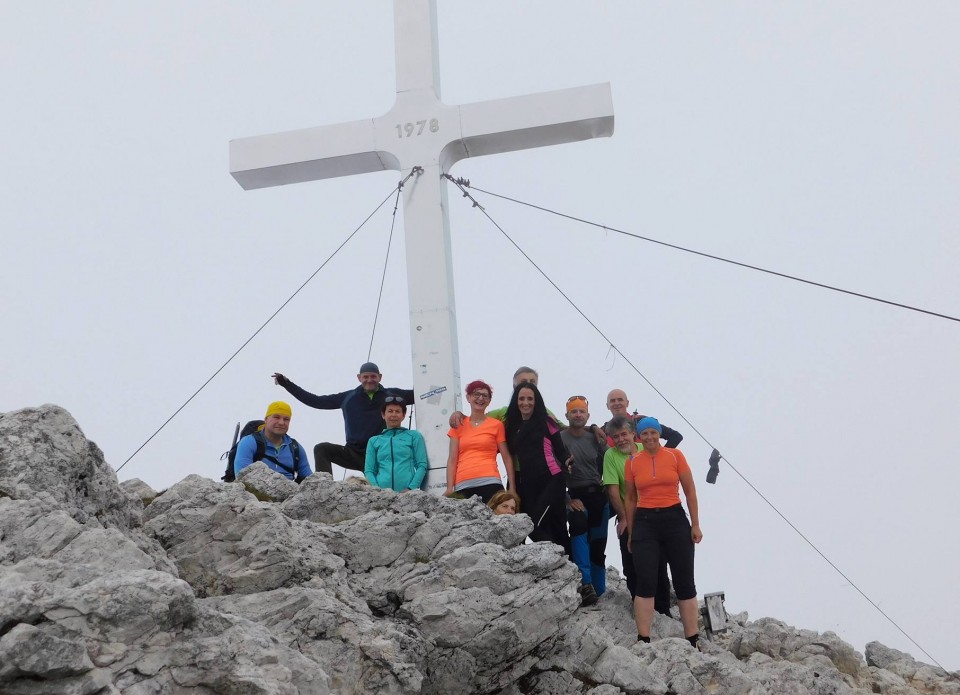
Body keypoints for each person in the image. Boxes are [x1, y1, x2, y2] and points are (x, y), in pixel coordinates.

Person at [625, 417, 702, 648]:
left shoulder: (675, 456)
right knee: (646, 580)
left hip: (675, 518)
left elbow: (690, 491)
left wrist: (695, 524)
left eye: (653, 432)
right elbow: (629, 498)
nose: (649, 437)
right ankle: (643, 638)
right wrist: (631, 532)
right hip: (645, 521)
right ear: (639, 437)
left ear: (659, 434)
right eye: (644, 434)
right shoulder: (632, 461)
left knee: (684, 580)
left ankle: (692, 638)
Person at [272, 362, 414, 475]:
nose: (369, 380)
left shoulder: (392, 396)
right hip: (354, 454)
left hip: (382, 455)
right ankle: (324, 488)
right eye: (365, 377)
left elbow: (420, 393)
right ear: (359, 378)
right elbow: (315, 401)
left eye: (373, 376)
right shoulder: (348, 398)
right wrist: (287, 384)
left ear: (380, 377)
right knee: (322, 449)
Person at [603, 416, 671, 616]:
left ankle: (664, 610)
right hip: (629, 513)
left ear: (633, 434)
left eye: (624, 434)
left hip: (654, 512)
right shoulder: (611, 456)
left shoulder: (645, 451)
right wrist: (624, 518)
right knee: (631, 563)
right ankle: (638, 608)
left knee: (659, 564)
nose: (621, 440)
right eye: (616, 437)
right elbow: (613, 490)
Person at [505, 382, 571, 554]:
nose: (525, 403)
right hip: (528, 485)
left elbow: (561, 452)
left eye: (530, 399)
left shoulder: (546, 421)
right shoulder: (512, 426)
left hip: (552, 481)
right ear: (516, 401)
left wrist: (568, 461)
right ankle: (558, 562)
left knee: (539, 524)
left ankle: (563, 563)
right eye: (521, 398)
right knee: (536, 524)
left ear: (536, 401)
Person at [561, 396, 609, 607]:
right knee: (579, 529)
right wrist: (566, 499)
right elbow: (553, 471)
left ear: (588, 416)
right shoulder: (560, 438)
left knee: (598, 546)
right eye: (574, 412)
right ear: (567, 415)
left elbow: (610, 462)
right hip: (575, 495)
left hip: (598, 495)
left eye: (581, 412)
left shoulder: (595, 437)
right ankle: (585, 584)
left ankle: (601, 591)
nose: (578, 415)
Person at [446, 380, 515, 503]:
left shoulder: (497, 425)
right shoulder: (458, 425)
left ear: (489, 400)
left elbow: (506, 457)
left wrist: (512, 489)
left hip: (491, 482)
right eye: (476, 394)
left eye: (485, 395)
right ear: (468, 397)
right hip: (463, 485)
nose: (480, 398)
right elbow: (452, 459)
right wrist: (449, 488)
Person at [233, 401, 313, 482]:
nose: (281, 422)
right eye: (276, 417)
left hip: (290, 493)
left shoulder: (296, 448)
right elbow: (242, 478)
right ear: (266, 419)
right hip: (254, 493)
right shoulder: (248, 443)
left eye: (286, 419)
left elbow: (310, 480)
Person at [364, 396, 428, 492]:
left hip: (408, 495)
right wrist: (377, 490)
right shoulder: (373, 441)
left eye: (398, 411)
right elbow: (369, 471)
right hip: (382, 495)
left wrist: (411, 488)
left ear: (403, 415)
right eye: (390, 411)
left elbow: (422, 465)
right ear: (383, 415)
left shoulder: (414, 436)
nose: (394, 415)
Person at [604, 389, 683, 449]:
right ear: (607, 406)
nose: (617, 403)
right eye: (612, 401)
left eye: (620, 399)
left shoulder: (641, 422)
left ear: (627, 403)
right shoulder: (603, 431)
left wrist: (661, 457)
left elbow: (676, 436)